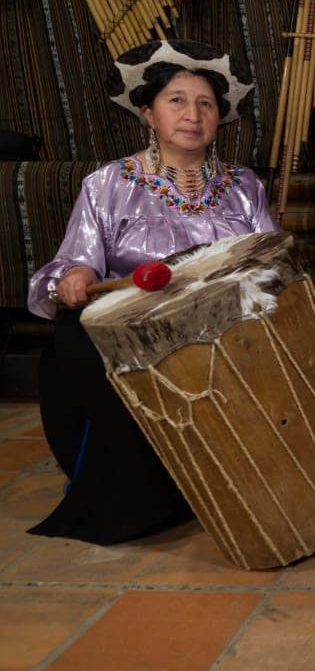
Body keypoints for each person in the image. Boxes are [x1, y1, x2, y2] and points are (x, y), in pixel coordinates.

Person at [26, 38, 278, 545]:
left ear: (218, 119)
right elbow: (76, 258)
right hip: (135, 326)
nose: (192, 114)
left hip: (223, 326)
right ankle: (140, 495)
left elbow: (268, 262)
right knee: (74, 335)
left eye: (206, 104)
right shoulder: (108, 183)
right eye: (176, 101)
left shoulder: (243, 185)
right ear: (149, 114)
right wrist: (72, 277)